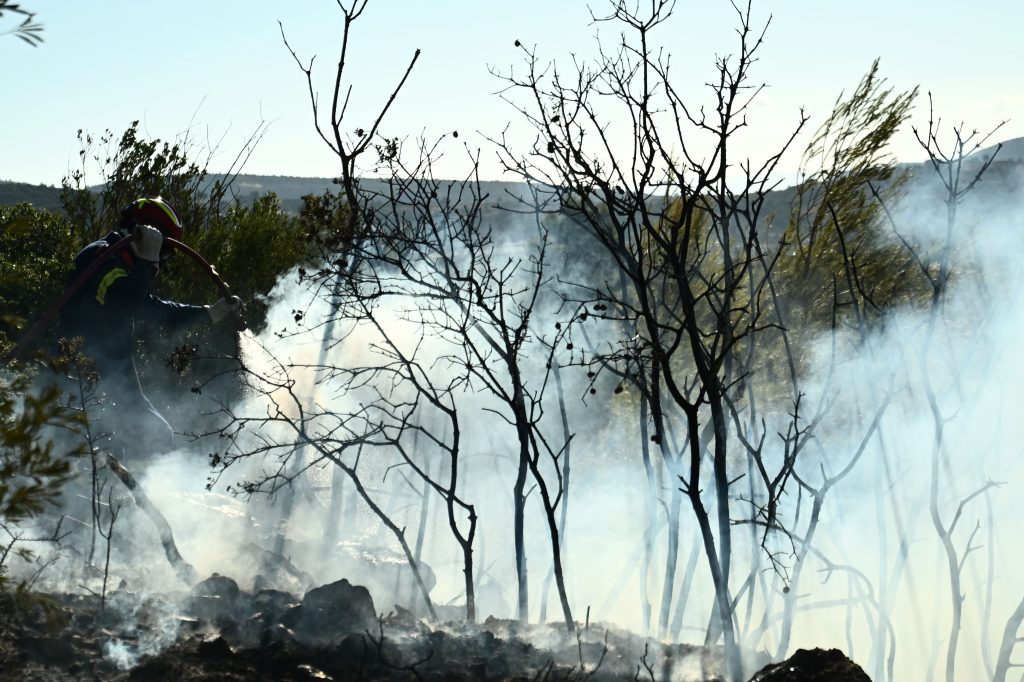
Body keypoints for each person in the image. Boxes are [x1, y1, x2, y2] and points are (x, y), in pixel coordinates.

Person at [58, 196, 241, 457]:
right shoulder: (101, 258)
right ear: (142, 234)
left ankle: (135, 495)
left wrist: (209, 314)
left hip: (116, 374)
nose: (162, 259)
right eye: (163, 250)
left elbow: (151, 308)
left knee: (156, 435)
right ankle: (104, 495)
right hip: (79, 375)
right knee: (98, 448)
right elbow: (129, 304)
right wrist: (147, 262)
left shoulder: (123, 263)